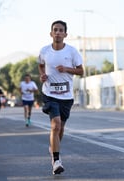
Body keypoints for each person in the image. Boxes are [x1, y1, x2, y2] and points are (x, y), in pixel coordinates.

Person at [38, 20, 84, 175]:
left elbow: (81, 71)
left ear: (65, 34)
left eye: (61, 30)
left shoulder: (72, 52)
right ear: (51, 33)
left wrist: (66, 69)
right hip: (49, 94)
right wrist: (42, 75)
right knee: (55, 125)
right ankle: (56, 160)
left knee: (61, 128)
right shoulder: (44, 51)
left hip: (66, 96)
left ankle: (53, 148)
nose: (57, 32)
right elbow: (40, 64)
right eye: (55, 30)